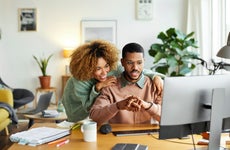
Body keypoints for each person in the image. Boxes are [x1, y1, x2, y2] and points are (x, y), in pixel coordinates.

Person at [62, 40, 163, 122]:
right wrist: (98, 88)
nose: (104, 73)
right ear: (88, 68)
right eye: (98, 69)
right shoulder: (80, 81)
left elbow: (134, 70)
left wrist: (155, 76)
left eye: (106, 66)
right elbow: (89, 108)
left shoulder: (114, 69)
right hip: (77, 110)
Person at [90, 42, 162, 125]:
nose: (135, 67)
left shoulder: (155, 85)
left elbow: (167, 118)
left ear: (144, 62)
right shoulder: (110, 87)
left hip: (148, 136)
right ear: (122, 62)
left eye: (139, 63)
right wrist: (117, 106)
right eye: (130, 63)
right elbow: (95, 117)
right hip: (118, 137)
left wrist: (147, 106)